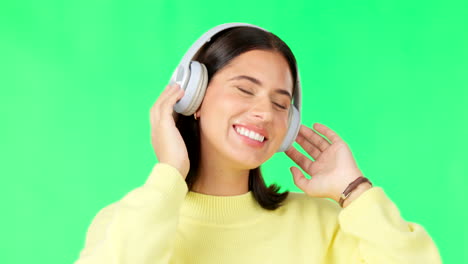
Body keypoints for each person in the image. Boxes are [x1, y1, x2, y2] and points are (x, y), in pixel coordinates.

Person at [74, 23, 442, 264]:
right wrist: (169, 173)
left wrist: (354, 190)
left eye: (281, 104)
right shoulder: (129, 222)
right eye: (244, 89)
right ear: (193, 97)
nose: (264, 113)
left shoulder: (324, 226)